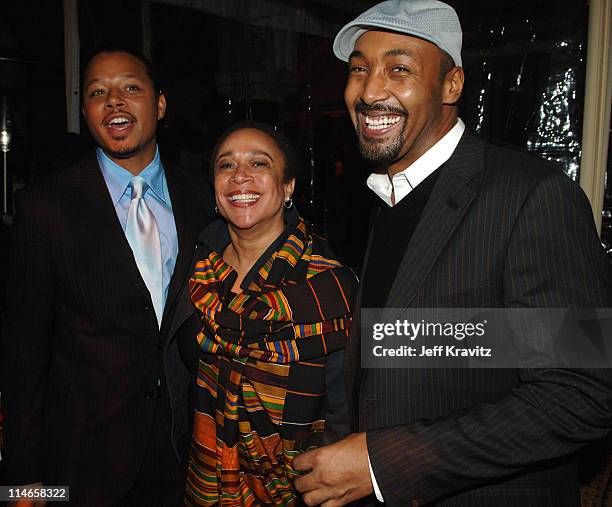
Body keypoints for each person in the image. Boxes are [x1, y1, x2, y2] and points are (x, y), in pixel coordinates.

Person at [293, 1, 612, 506]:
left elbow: (580, 393)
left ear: (452, 85)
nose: (370, 90)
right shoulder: (390, 197)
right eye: (359, 69)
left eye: (399, 69)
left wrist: (384, 463)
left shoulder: (531, 195)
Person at [1, 49, 215, 505]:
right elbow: (24, 353)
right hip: (80, 467)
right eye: (98, 92)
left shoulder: (204, 198)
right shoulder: (45, 209)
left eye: (130, 88)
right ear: (86, 113)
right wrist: (22, 478)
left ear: (160, 104)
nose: (114, 101)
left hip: (187, 458)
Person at [179, 121, 356, 505]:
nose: (240, 176)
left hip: (304, 487)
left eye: (259, 164)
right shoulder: (195, 272)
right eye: (226, 166)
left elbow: (350, 407)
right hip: (207, 481)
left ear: (288, 186)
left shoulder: (327, 284)